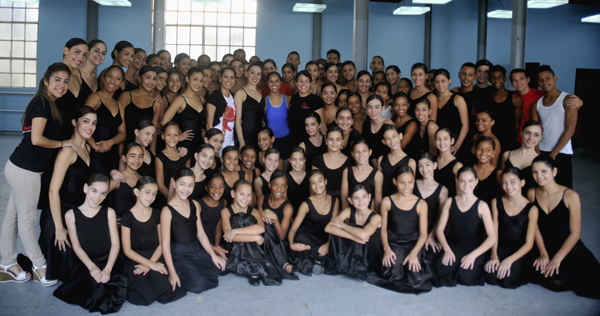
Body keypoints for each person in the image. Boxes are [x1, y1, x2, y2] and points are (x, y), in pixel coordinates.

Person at [0, 63, 73, 286]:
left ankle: (7, 263)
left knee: (12, 217)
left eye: (66, 81)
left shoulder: (48, 102)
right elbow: (37, 139)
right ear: (46, 81)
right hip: (26, 170)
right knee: (26, 220)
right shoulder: (42, 104)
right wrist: (63, 142)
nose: (62, 85)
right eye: (57, 80)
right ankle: (40, 266)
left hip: (20, 166)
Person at [528, 155, 600, 299]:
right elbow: (534, 227)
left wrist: (557, 259)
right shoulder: (532, 193)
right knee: (544, 278)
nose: (539, 176)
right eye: (535, 172)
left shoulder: (570, 196)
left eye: (544, 171)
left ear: (554, 172)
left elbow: (575, 234)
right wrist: (543, 253)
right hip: (544, 246)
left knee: (590, 286)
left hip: (569, 248)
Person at [53, 174, 126, 313]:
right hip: (86, 262)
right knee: (94, 292)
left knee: (111, 293)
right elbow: (76, 246)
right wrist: (92, 267)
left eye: (103, 193)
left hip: (108, 261)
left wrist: (108, 269)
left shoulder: (108, 212)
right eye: (94, 191)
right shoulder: (71, 215)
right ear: (86, 188)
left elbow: (115, 244)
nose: (97, 197)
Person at [41, 106, 97, 282]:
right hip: (60, 214)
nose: (90, 127)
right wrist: (58, 227)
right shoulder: (67, 151)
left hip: (78, 213)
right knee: (72, 270)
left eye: (94, 123)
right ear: (74, 123)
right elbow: (53, 191)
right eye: (86, 121)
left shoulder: (87, 148)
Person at [121, 176, 187, 305]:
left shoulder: (157, 214)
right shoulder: (127, 217)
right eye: (147, 192)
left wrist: (151, 263)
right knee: (139, 295)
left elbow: (162, 243)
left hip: (155, 254)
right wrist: (148, 264)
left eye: (154, 194)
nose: (150, 197)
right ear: (136, 192)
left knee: (167, 287)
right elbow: (127, 250)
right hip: (135, 258)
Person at [366, 166, 434, 293]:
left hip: (413, 242)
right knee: (391, 273)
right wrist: (386, 249)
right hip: (394, 241)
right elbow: (384, 229)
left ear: (414, 182)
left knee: (416, 278)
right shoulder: (387, 201)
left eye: (410, 182)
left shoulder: (421, 204)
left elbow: (424, 234)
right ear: (395, 182)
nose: (406, 186)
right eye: (402, 182)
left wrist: (414, 253)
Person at [160, 168, 226, 293]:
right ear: (174, 184)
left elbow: (200, 233)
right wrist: (172, 273)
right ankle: (181, 271)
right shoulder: (167, 211)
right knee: (198, 284)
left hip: (195, 249)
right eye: (182, 184)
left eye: (190, 185)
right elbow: (165, 244)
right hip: (179, 254)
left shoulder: (194, 204)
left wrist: (213, 255)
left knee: (217, 268)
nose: (186, 189)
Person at [434, 166, 497, 287]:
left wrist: (473, 255)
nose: (466, 184)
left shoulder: (482, 205)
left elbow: (492, 237)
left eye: (470, 181)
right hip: (453, 245)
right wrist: (447, 250)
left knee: (467, 276)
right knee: (443, 271)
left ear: (476, 182)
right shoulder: (450, 201)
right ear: (457, 181)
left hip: (473, 247)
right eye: (462, 180)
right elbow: (439, 230)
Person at [221, 179, 284, 285]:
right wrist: (255, 237)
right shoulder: (226, 212)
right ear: (233, 193)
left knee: (251, 220)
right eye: (241, 194)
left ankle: (252, 269)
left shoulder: (254, 211)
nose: (245, 199)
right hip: (235, 247)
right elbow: (230, 237)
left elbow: (261, 228)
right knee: (237, 219)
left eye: (249, 195)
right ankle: (254, 270)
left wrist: (235, 231)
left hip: (252, 248)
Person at [484, 168, 538, 289]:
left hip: (519, 250)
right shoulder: (496, 202)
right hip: (500, 246)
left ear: (522, 183)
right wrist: (494, 255)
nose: (508, 186)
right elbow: (494, 233)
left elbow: (529, 243)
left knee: (507, 279)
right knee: (490, 275)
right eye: (504, 182)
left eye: (513, 182)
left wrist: (510, 260)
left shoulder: (531, 209)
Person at [530, 65, 576, 189]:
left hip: (561, 152)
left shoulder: (567, 99)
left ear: (555, 78)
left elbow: (570, 129)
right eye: (540, 80)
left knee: (563, 188)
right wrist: (537, 150)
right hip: (543, 150)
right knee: (541, 187)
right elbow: (535, 130)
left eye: (548, 78)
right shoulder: (536, 104)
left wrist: (554, 154)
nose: (545, 82)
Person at [324, 183, 382, 279]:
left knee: (345, 228)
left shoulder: (376, 217)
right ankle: (344, 263)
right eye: (356, 198)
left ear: (369, 197)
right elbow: (328, 228)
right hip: (356, 250)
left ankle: (355, 266)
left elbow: (363, 235)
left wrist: (343, 225)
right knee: (337, 231)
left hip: (370, 255)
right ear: (350, 200)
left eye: (364, 197)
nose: (361, 201)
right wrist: (352, 237)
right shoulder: (348, 211)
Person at [288, 170, 338, 275]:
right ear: (310, 186)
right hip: (308, 237)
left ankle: (318, 260)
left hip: (325, 237)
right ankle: (318, 260)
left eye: (320, 181)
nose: (317, 185)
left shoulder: (335, 201)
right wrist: (292, 245)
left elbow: (333, 227)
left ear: (325, 182)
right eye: (313, 183)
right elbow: (293, 229)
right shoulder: (306, 204)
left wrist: (328, 244)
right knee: (301, 238)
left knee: (336, 246)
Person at [257, 171, 299, 279]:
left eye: (283, 185)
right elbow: (259, 224)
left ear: (286, 187)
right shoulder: (261, 199)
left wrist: (275, 218)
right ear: (270, 184)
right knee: (265, 225)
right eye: (275, 184)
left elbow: (281, 236)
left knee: (269, 225)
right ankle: (284, 264)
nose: (279, 189)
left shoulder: (287, 207)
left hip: (279, 244)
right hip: (262, 239)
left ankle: (279, 263)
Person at [85, 65, 126, 175]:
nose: (113, 81)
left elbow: (122, 133)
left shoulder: (119, 105)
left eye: (118, 78)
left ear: (121, 83)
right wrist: (94, 145)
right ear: (103, 78)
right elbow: (81, 122)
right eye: (110, 76)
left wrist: (110, 142)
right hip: (93, 152)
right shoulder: (94, 97)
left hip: (112, 153)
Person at [161, 67, 206, 154]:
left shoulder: (201, 99)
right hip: (184, 147)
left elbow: (203, 120)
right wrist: (178, 136)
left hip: (200, 145)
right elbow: (164, 122)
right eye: (195, 79)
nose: (199, 83)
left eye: (201, 80)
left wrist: (205, 129)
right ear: (187, 79)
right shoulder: (180, 99)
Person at [415, 153, 449, 262]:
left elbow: (440, 217)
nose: (424, 169)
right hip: (412, 231)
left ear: (435, 165)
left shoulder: (443, 190)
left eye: (427, 165)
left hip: (431, 231)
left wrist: (431, 236)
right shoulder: (412, 185)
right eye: (420, 166)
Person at [56, 38, 90, 141]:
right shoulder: (54, 75)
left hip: (75, 138)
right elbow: (42, 103)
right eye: (77, 52)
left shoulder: (79, 77)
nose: (80, 58)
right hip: (55, 136)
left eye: (84, 55)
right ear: (66, 51)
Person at [119, 66, 160, 149]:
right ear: (139, 78)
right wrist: (120, 148)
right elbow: (118, 124)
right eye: (148, 77)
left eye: (154, 79)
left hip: (144, 149)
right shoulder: (126, 96)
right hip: (124, 144)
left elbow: (153, 132)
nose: (151, 82)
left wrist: (152, 152)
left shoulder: (156, 103)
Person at [501, 120, 542, 196]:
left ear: (540, 137)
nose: (531, 138)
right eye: (527, 133)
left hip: (529, 203)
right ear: (521, 133)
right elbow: (501, 181)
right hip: (508, 202)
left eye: (536, 135)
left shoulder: (541, 161)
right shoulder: (507, 155)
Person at [340, 139, 383, 212]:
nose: (361, 154)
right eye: (357, 151)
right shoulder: (347, 171)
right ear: (352, 154)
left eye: (364, 150)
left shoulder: (377, 174)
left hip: (368, 215)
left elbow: (377, 201)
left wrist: (374, 219)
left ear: (370, 152)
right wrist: (347, 218)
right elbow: (344, 197)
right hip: (350, 215)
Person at [434, 69, 469, 156]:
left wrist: (456, 146)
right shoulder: (433, 99)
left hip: (455, 142)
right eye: (437, 82)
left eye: (443, 81)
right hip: (439, 143)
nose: (440, 84)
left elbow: (466, 125)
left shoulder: (458, 99)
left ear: (449, 81)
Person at [486, 65, 521, 152]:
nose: (497, 80)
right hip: (491, 141)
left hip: (509, 142)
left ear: (505, 78)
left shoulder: (515, 98)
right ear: (489, 80)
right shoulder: (486, 98)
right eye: (493, 77)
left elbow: (517, 124)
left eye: (500, 77)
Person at [155, 122, 191, 206]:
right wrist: (175, 200)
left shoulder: (185, 155)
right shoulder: (159, 158)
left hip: (184, 197)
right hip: (167, 199)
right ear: (163, 136)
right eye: (168, 135)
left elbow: (188, 179)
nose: (172, 138)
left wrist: (182, 199)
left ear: (180, 135)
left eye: (175, 135)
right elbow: (160, 185)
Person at [312, 126, 353, 199]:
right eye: (331, 139)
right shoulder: (317, 160)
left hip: (344, 201)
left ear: (343, 141)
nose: (334, 143)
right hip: (322, 201)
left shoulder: (350, 162)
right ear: (326, 140)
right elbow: (313, 187)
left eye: (338, 139)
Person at [289, 70, 326, 147]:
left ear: (310, 83)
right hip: (294, 140)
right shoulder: (293, 99)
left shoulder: (315, 100)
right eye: (300, 81)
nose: (303, 84)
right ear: (295, 82)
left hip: (311, 142)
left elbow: (321, 124)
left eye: (306, 81)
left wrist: (327, 140)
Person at [378, 124, 417, 197]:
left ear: (400, 136)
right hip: (385, 200)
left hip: (401, 202)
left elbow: (410, 189)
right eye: (387, 138)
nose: (392, 141)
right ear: (384, 142)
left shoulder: (410, 162)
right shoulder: (381, 159)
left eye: (394, 136)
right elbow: (379, 187)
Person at [108, 143, 143, 219]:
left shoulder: (142, 180)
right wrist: (109, 219)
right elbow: (99, 196)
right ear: (124, 158)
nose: (137, 160)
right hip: (119, 227)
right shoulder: (117, 179)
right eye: (132, 156)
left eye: (140, 156)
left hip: (136, 226)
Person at [198, 173, 228, 260]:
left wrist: (216, 247)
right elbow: (195, 232)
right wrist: (213, 249)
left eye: (221, 186)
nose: (217, 190)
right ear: (206, 188)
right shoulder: (199, 204)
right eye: (213, 186)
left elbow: (218, 227)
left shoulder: (223, 203)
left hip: (214, 241)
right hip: (199, 241)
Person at [206, 67, 237, 150]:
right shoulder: (214, 96)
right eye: (226, 77)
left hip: (230, 142)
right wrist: (212, 145)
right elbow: (209, 124)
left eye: (232, 77)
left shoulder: (233, 96)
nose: (229, 80)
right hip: (217, 144)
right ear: (220, 79)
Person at [264, 72, 291, 159]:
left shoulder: (288, 99)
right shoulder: (264, 101)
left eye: (276, 81)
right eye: (271, 81)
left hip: (286, 140)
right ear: (267, 84)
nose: (274, 84)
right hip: (271, 142)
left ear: (280, 83)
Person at [362, 95, 394, 166]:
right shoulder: (366, 125)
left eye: (377, 107)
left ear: (383, 108)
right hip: (371, 166)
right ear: (366, 109)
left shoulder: (388, 126)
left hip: (388, 166)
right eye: (370, 107)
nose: (373, 111)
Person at [473, 136, 503, 206]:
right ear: (475, 150)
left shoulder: (499, 174)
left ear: (493, 153)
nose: (483, 153)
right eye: (480, 149)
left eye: (488, 150)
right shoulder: (468, 171)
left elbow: (502, 199)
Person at [434, 128, 463, 197]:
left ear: (452, 141)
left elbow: (459, 194)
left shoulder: (457, 166)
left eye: (445, 139)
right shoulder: (432, 160)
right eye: (438, 139)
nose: (442, 142)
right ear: (435, 142)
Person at [392, 92, 419, 160]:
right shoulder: (393, 118)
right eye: (397, 105)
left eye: (404, 104)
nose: (400, 108)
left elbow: (401, 146)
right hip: (396, 157)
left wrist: (391, 125)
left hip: (409, 159)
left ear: (408, 105)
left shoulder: (412, 124)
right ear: (393, 106)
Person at [286, 147, 309, 216]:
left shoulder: (309, 177)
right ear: (289, 160)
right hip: (290, 214)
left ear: (305, 160)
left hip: (307, 214)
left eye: (301, 159)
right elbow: (284, 201)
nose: (297, 163)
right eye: (294, 159)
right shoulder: (285, 178)